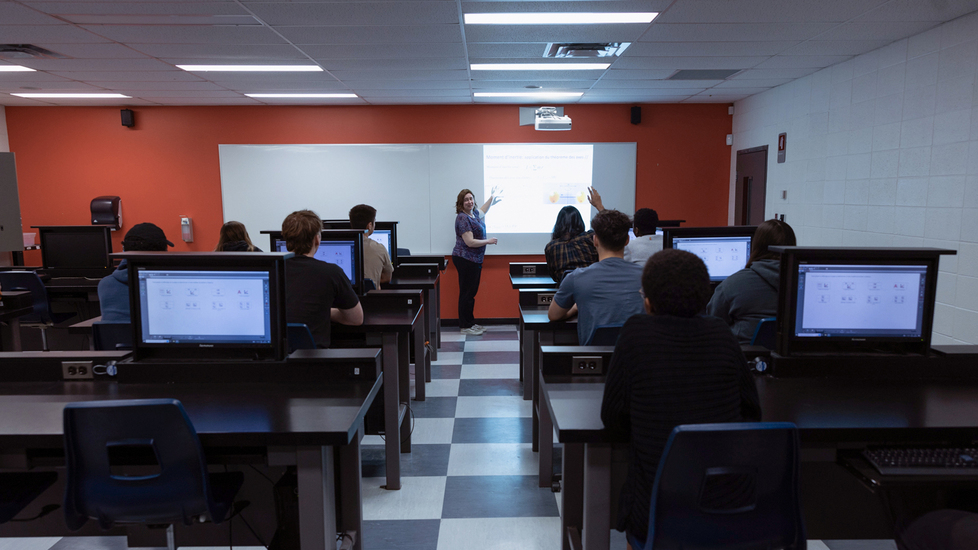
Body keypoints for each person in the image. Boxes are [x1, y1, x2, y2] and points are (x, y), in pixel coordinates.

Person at [601, 248, 762, 546]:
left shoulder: (635, 333)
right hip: (727, 509)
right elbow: (751, 412)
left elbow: (612, 418)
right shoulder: (722, 334)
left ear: (647, 301)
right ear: (705, 296)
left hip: (657, 512)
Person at [547, 209, 645, 345]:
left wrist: (575, 307)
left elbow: (553, 315)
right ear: (627, 240)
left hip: (595, 360)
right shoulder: (647, 277)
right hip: (636, 360)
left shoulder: (576, 278)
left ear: (595, 240)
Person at [706, 219, 797, 345]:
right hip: (794, 359)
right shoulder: (803, 283)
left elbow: (712, 325)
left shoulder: (732, 284)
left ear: (756, 245)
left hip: (744, 359)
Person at [281, 209, 362, 348]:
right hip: (313, 361)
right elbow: (356, 319)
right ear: (317, 239)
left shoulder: (273, 271)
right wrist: (325, 311)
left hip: (274, 358)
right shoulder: (331, 272)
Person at [97, 222, 173, 322]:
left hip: (116, 337)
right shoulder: (168, 284)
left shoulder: (105, 284)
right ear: (162, 253)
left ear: (124, 250)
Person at [452, 186, 501, 335]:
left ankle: (470, 323)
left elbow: (483, 210)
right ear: (461, 203)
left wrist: (492, 198)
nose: (469, 201)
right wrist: (488, 241)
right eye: (466, 200)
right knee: (466, 293)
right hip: (465, 259)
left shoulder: (473, 214)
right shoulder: (462, 217)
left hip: (474, 260)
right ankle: (465, 326)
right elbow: (470, 242)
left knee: (471, 293)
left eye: (471, 198)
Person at [544, 187, 605, 283]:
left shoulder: (551, 247)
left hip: (565, 294)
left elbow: (554, 276)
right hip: (591, 289)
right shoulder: (590, 238)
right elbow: (610, 228)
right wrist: (600, 207)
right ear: (579, 222)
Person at [349, 204, 393, 289]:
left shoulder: (344, 245)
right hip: (371, 299)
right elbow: (387, 278)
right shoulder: (379, 248)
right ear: (369, 225)